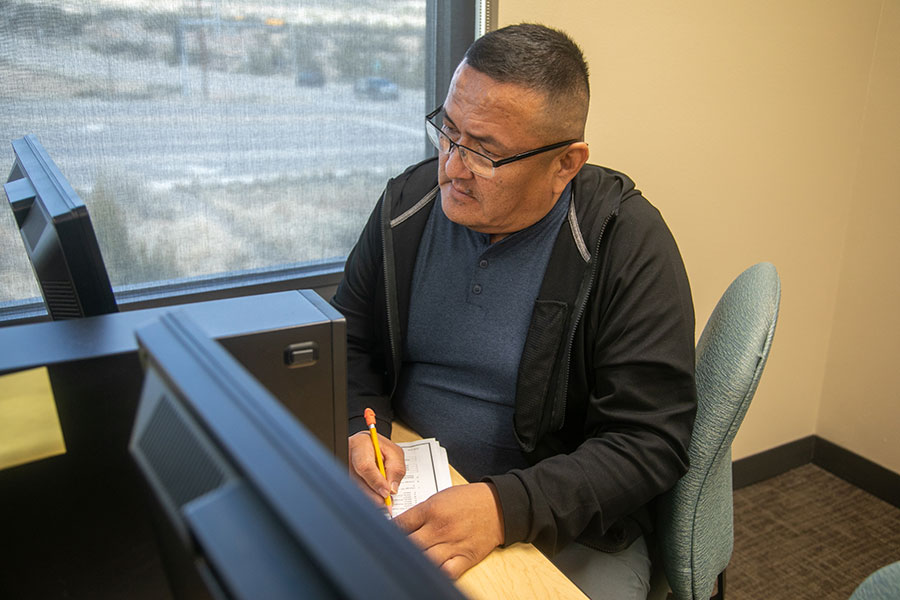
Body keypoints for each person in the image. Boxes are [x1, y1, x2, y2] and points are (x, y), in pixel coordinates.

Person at [331, 23, 696, 600]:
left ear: (565, 164)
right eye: (448, 132)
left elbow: (649, 440)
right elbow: (349, 340)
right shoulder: (407, 207)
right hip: (413, 488)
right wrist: (359, 426)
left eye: (484, 152)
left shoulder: (625, 243)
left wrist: (504, 508)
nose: (451, 167)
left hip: (562, 522)